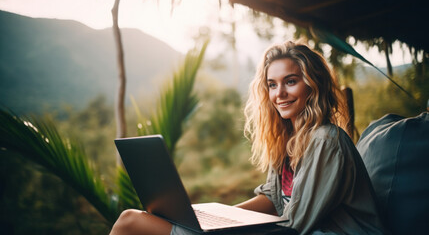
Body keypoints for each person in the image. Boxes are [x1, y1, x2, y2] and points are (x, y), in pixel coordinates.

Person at [109, 41, 387, 235]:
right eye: (272, 84)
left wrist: (228, 228)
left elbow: (295, 224)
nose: (280, 94)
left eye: (291, 81)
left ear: (313, 85)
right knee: (133, 220)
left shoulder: (326, 140)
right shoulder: (289, 138)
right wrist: (211, 218)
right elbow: (274, 198)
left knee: (131, 222)